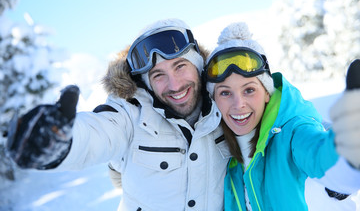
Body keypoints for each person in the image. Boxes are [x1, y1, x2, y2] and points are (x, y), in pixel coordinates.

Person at [6, 18, 230, 211]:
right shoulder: (131, 113)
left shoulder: (227, 107)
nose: (174, 84)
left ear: (199, 65)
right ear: (147, 83)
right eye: (158, 75)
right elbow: (98, 132)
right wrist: (61, 141)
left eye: (180, 66)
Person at [203, 22, 360, 210]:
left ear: (267, 92)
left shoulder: (293, 135)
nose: (238, 104)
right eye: (225, 93)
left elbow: (333, 166)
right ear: (214, 100)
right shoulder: (228, 161)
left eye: (249, 90)